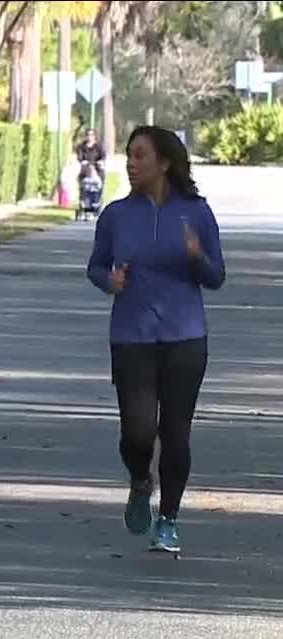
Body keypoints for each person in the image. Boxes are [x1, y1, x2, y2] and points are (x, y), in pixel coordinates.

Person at [86, 125, 226, 554]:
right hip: (131, 338)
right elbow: (95, 267)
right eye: (128, 155)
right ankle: (140, 478)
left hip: (185, 338)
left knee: (176, 432)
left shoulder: (197, 213)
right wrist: (109, 281)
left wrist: (195, 257)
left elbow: (216, 276)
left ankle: (168, 518)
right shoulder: (115, 215)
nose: (130, 163)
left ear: (164, 162)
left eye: (140, 156)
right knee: (137, 433)